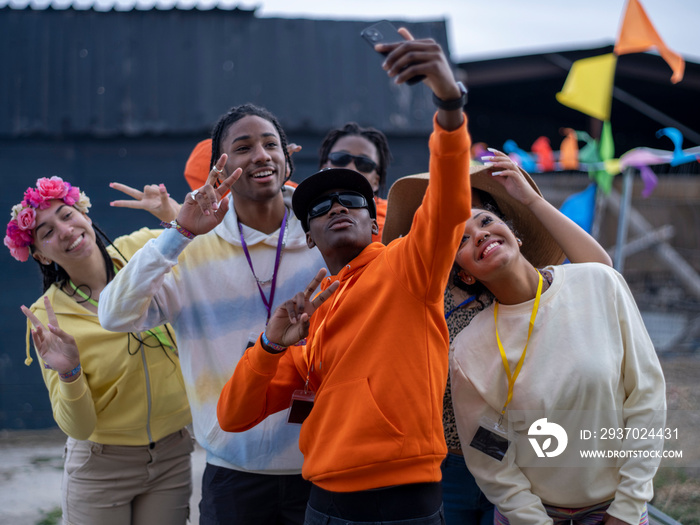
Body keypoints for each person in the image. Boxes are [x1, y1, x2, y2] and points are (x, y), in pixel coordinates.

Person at [217, 29, 470, 525]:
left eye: (352, 200)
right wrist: (270, 344)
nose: (336, 206)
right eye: (319, 207)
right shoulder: (313, 320)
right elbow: (233, 415)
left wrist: (449, 104)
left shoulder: (408, 266)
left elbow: (449, 199)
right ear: (308, 236)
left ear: (373, 219)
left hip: (407, 507)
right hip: (324, 508)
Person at [98, 103, 327, 525]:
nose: (260, 155)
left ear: (287, 158)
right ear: (218, 170)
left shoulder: (324, 236)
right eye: (243, 147)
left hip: (323, 469)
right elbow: (114, 316)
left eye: (270, 144)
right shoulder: (189, 247)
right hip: (232, 477)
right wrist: (179, 233)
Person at [381, 150, 614, 524]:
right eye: (449, 217)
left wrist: (532, 201)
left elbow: (599, 271)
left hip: (526, 461)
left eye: (479, 213)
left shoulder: (526, 286)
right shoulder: (414, 295)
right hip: (445, 464)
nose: (469, 225)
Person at [449, 154, 666, 524]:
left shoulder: (600, 285)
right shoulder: (468, 350)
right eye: (462, 240)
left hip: (619, 511)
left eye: (486, 221)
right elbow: (490, 455)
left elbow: (646, 398)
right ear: (466, 275)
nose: (480, 234)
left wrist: (627, 509)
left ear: (514, 234)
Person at [7, 176, 193, 525]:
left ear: (85, 215)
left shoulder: (144, 251)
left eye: (67, 214)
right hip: (101, 466)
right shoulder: (48, 319)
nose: (64, 230)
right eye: (46, 233)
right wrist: (69, 371)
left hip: (173, 453)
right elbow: (77, 427)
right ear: (40, 256)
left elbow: (207, 242)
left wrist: (172, 213)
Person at [318, 122, 392, 243]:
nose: (351, 168)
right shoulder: (295, 205)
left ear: (376, 181)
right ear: (324, 167)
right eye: (341, 158)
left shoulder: (396, 220)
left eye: (364, 163)